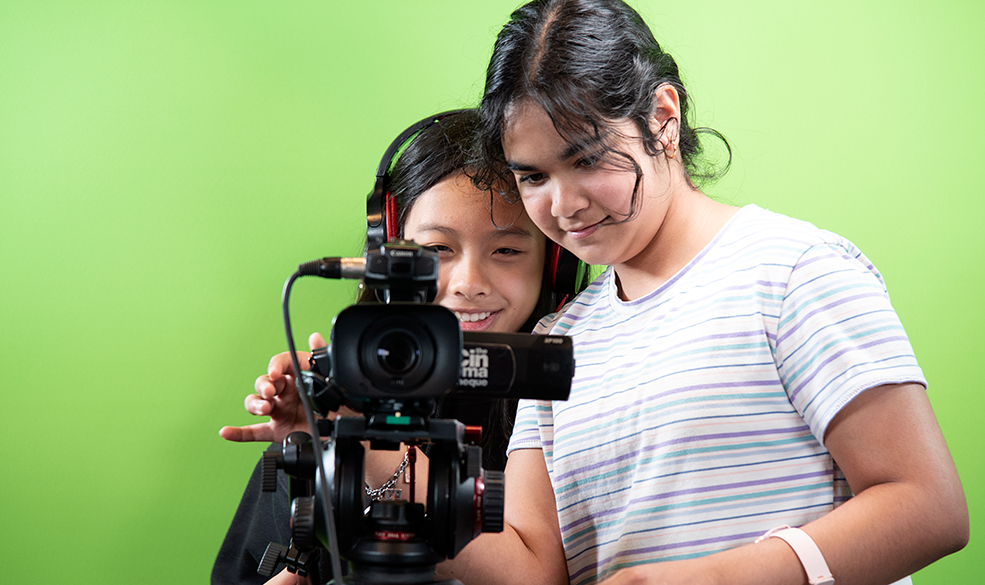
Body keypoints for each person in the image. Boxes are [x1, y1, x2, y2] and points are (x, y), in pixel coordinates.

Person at [432, 2, 969, 585]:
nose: (563, 206)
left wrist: (705, 580)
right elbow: (534, 570)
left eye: (586, 159)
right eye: (532, 176)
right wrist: (361, 459)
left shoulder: (793, 271)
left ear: (663, 117)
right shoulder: (559, 340)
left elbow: (928, 506)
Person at [212, 109, 572, 584]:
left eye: (506, 250)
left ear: (554, 263)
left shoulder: (568, 411)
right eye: (437, 250)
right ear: (388, 258)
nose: (469, 283)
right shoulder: (326, 412)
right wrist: (332, 435)